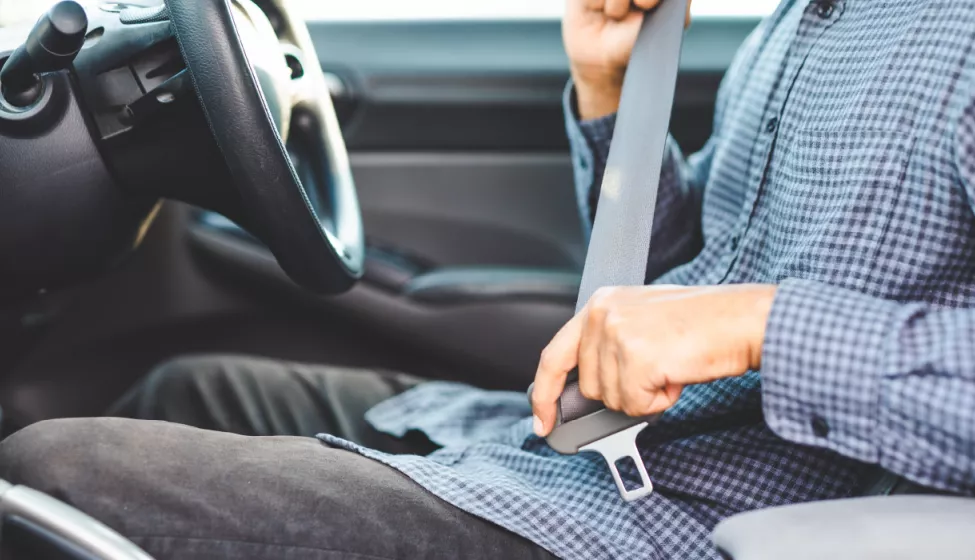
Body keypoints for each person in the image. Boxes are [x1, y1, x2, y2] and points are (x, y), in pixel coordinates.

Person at [2, 0, 975, 558]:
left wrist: (764, 324)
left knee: (54, 477)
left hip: (696, 516)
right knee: (190, 385)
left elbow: (730, 315)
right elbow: (682, 287)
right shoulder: (806, 23)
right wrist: (607, 91)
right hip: (583, 447)